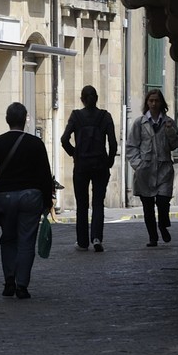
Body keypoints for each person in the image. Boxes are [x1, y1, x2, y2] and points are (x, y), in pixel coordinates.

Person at [0, 102, 56, 299]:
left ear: (7, 120)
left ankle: (9, 280)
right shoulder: (36, 144)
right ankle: (22, 285)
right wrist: (47, 200)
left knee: (8, 239)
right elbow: (45, 174)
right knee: (26, 241)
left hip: (5, 197)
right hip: (31, 197)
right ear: (25, 120)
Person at [60, 84, 118, 252]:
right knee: (98, 203)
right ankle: (97, 238)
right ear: (97, 99)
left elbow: (64, 139)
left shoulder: (76, 116)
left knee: (82, 204)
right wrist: (109, 160)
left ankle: (83, 241)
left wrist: (74, 154)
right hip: (100, 165)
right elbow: (113, 143)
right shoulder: (105, 117)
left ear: (82, 100)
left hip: (82, 166)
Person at [126, 87, 178, 247]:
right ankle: (153, 237)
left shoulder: (168, 122)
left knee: (164, 202)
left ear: (161, 103)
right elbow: (131, 146)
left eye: (156, 101)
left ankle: (163, 225)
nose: (154, 104)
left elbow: (176, 143)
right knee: (148, 206)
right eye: (151, 101)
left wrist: (170, 131)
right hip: (145, 170)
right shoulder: (140, 123)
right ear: (147, 103)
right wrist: (138, 164)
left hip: (164, 169)